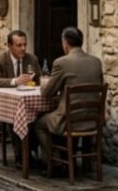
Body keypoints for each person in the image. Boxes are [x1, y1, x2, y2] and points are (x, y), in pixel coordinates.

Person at [34, 27, 104, 168]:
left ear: (65, 43)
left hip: (69, 121)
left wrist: (44, 84)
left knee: (39, 123)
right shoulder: (96, 61)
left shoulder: (61, 62)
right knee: (56, 116)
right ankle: (83, 164)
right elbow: (99, 85)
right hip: (92, 119)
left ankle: (54, 161)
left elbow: (47, 93)